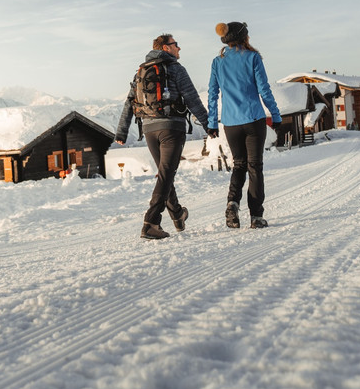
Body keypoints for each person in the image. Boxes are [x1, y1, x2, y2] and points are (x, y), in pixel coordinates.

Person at [115, 34, 211, 240]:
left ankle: (177, 213)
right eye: (176, 44)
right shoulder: (176, 69)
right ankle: (151, 222)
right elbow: (192, 98)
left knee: (165, 175)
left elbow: (129, 103)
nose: (179, 48)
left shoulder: (141, 71)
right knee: (166, 175)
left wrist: (122, 131)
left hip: (149, 130)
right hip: (171, 128)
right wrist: (208, 124)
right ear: (166, 48)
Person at [207, 22, 281, 229]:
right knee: (255, 167)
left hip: (230, 123)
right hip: (253, 120)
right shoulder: (253, 57)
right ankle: (256, 217)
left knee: (239, 165)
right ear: (244, 37)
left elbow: (212, 94)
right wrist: (275, 115)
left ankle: (232, 203)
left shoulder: (217, 62)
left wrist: (212, 123)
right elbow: (264, 90)